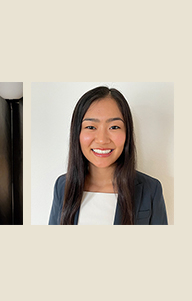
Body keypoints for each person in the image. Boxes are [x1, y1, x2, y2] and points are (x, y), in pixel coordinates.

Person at [49, 86, 168, 225]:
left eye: (114, 127)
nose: (102, 140)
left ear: (127, 133)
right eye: (91, 127)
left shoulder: (150, 189)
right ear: (77, 133)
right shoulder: (62, 186)